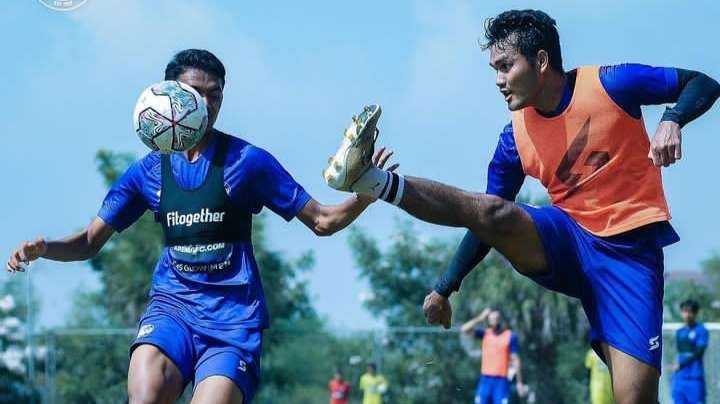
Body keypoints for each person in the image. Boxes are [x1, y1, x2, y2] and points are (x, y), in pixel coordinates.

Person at [323, 9, 720, 403]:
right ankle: (372, 181)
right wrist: (445, 287)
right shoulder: (513, 139)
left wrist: (673, 118)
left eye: (505, 66)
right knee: (496, 210)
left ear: (541, 61)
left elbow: (703, 83)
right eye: (494, 68)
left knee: (633, 400)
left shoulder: (613, 83)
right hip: (566, 240)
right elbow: (485, 220)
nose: (498, 80)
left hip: (630, 257)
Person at [6, 49, 395, 404]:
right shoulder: (148, 170)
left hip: (232, 322)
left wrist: (366, 193)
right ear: (169, 95)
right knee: (145, 398)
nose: (207, 104)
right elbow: (89, 242)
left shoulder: (248, 162)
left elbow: (323, 221)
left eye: (216, 95)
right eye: (196, 92)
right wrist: (45, 249)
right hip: (171, 310)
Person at [461, 308, 524, 404]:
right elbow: (464, 329)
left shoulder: (510, 336)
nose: (494, 320)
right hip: (485, 380)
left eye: (496, 318)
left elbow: (515, 359)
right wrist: (480, 318)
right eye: (491, 318)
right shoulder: (485, 333)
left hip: (501, 382)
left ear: (500, 319)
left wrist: (519, 383)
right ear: (489, 320)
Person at [672, 299, 708, 404]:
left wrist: (681, 364)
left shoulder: (701, 330)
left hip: (694, 378)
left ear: (695, 313)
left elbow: (699, 352)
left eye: (690, 311)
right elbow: (680, 352)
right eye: (684, 311)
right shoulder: (679, 332)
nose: (686, 315)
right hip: (679, 378)